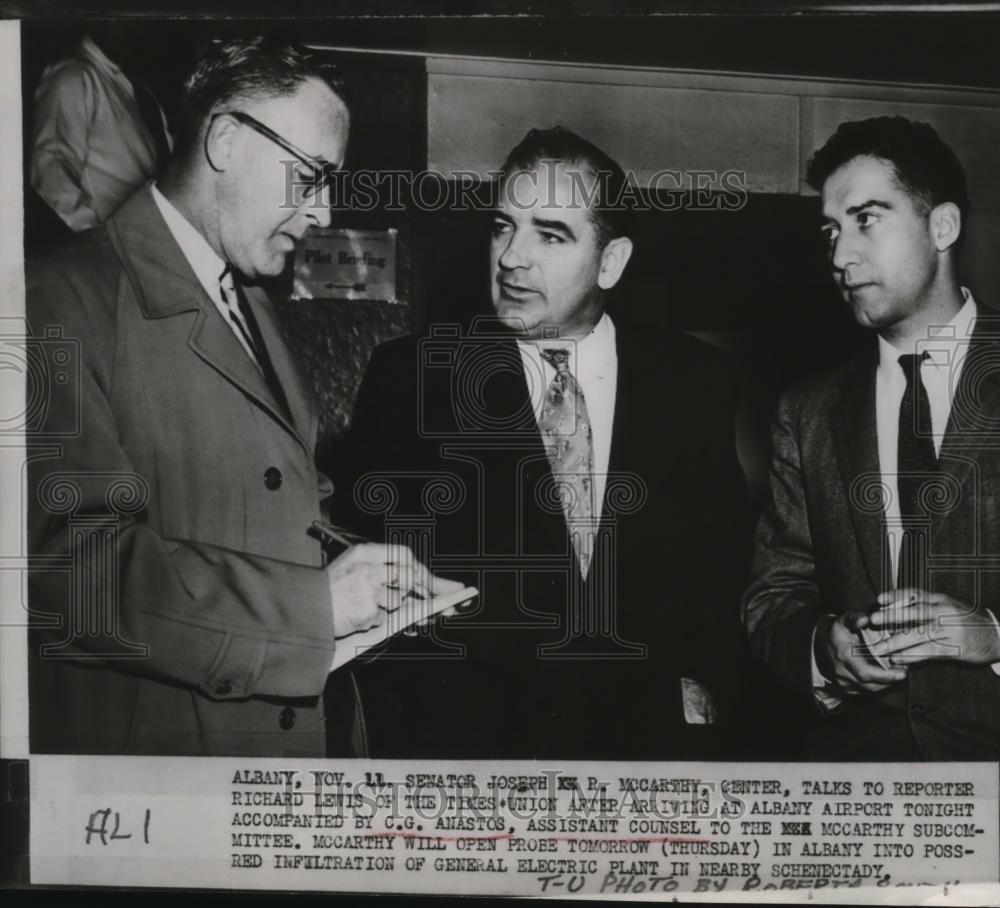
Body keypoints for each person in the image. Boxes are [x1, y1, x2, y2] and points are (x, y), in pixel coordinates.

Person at [26, 36, 462, 757]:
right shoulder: (52, 299)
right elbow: (72, 570)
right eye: (312, 176)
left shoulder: (252, 304)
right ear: (225, 139)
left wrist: (365, 575)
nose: (323, 213)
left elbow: (274, 510)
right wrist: (312, 605)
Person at [336, 127, 751, 760]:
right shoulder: (411, 378)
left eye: (550, 234)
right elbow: (378, 593)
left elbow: (719, 567)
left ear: (611, 261)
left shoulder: (694, 382)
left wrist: (702, 685)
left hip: (647, 757)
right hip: (470, 763)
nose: (510, 258)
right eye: (504, 226)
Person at [743, 116, 1000, 760]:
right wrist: (822, 650)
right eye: (831, 230)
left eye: (866, 219)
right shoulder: (805, 412)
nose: (838, 255)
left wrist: (994, 634)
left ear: (942, 226)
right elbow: (774, 595)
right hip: (864, 793)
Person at [30, 24, 172, 232]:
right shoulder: (73, 76)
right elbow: (51, 174)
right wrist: (98, 245)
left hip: (145, 247)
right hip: (109, 253)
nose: (134, 24)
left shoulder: (141, 91)